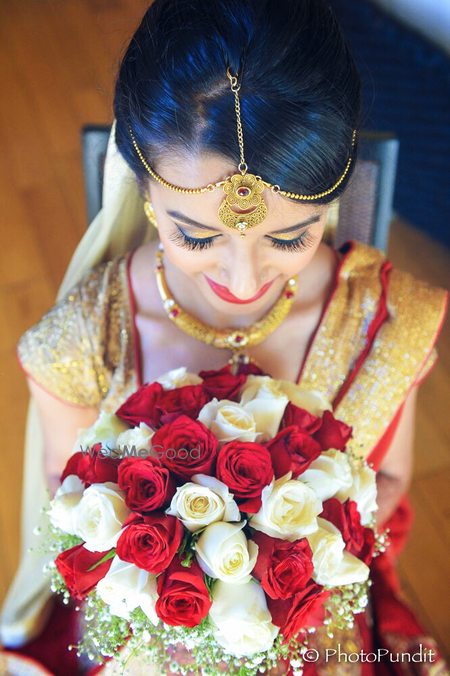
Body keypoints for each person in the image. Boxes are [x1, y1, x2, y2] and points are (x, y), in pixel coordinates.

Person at [1, 0, 448, 674]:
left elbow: (387, 480)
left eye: (291, 236)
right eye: (198, 235)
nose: (244, 279)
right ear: (144, 188)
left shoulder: (387, 323)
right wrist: (180, 604)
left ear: (332, 196)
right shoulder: (80, 344)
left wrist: (299, 566)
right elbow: (75, 511)